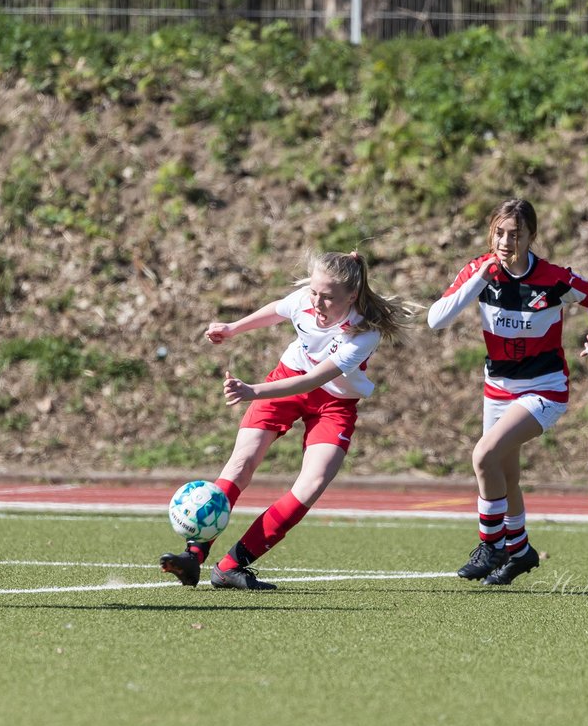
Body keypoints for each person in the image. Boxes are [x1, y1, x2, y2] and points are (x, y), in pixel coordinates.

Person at [159, 251, 409, 590]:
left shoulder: (364, 333)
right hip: (286, 378)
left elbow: (314, 380)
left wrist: (253, 391)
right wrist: (232, 328)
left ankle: (231, 566)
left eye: (328, 297)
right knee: (240, 465)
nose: (317, 303)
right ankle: (192, 556)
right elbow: (278, 308)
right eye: (314, 293)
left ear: (352, 295)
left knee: (312, 483)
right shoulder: (306, 301)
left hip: (333, 403)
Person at [427, 198, 588, 586]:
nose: (506, 241)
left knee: (483, 455)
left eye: (516, 234)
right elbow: (436, 320)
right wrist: (480, 277)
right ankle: (522, 551)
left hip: (544, 389)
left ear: (531, 237)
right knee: (504, 475)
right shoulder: (480, 271)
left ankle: (491, 544)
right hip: (497, 390)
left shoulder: (553, 278)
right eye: (500, 232)